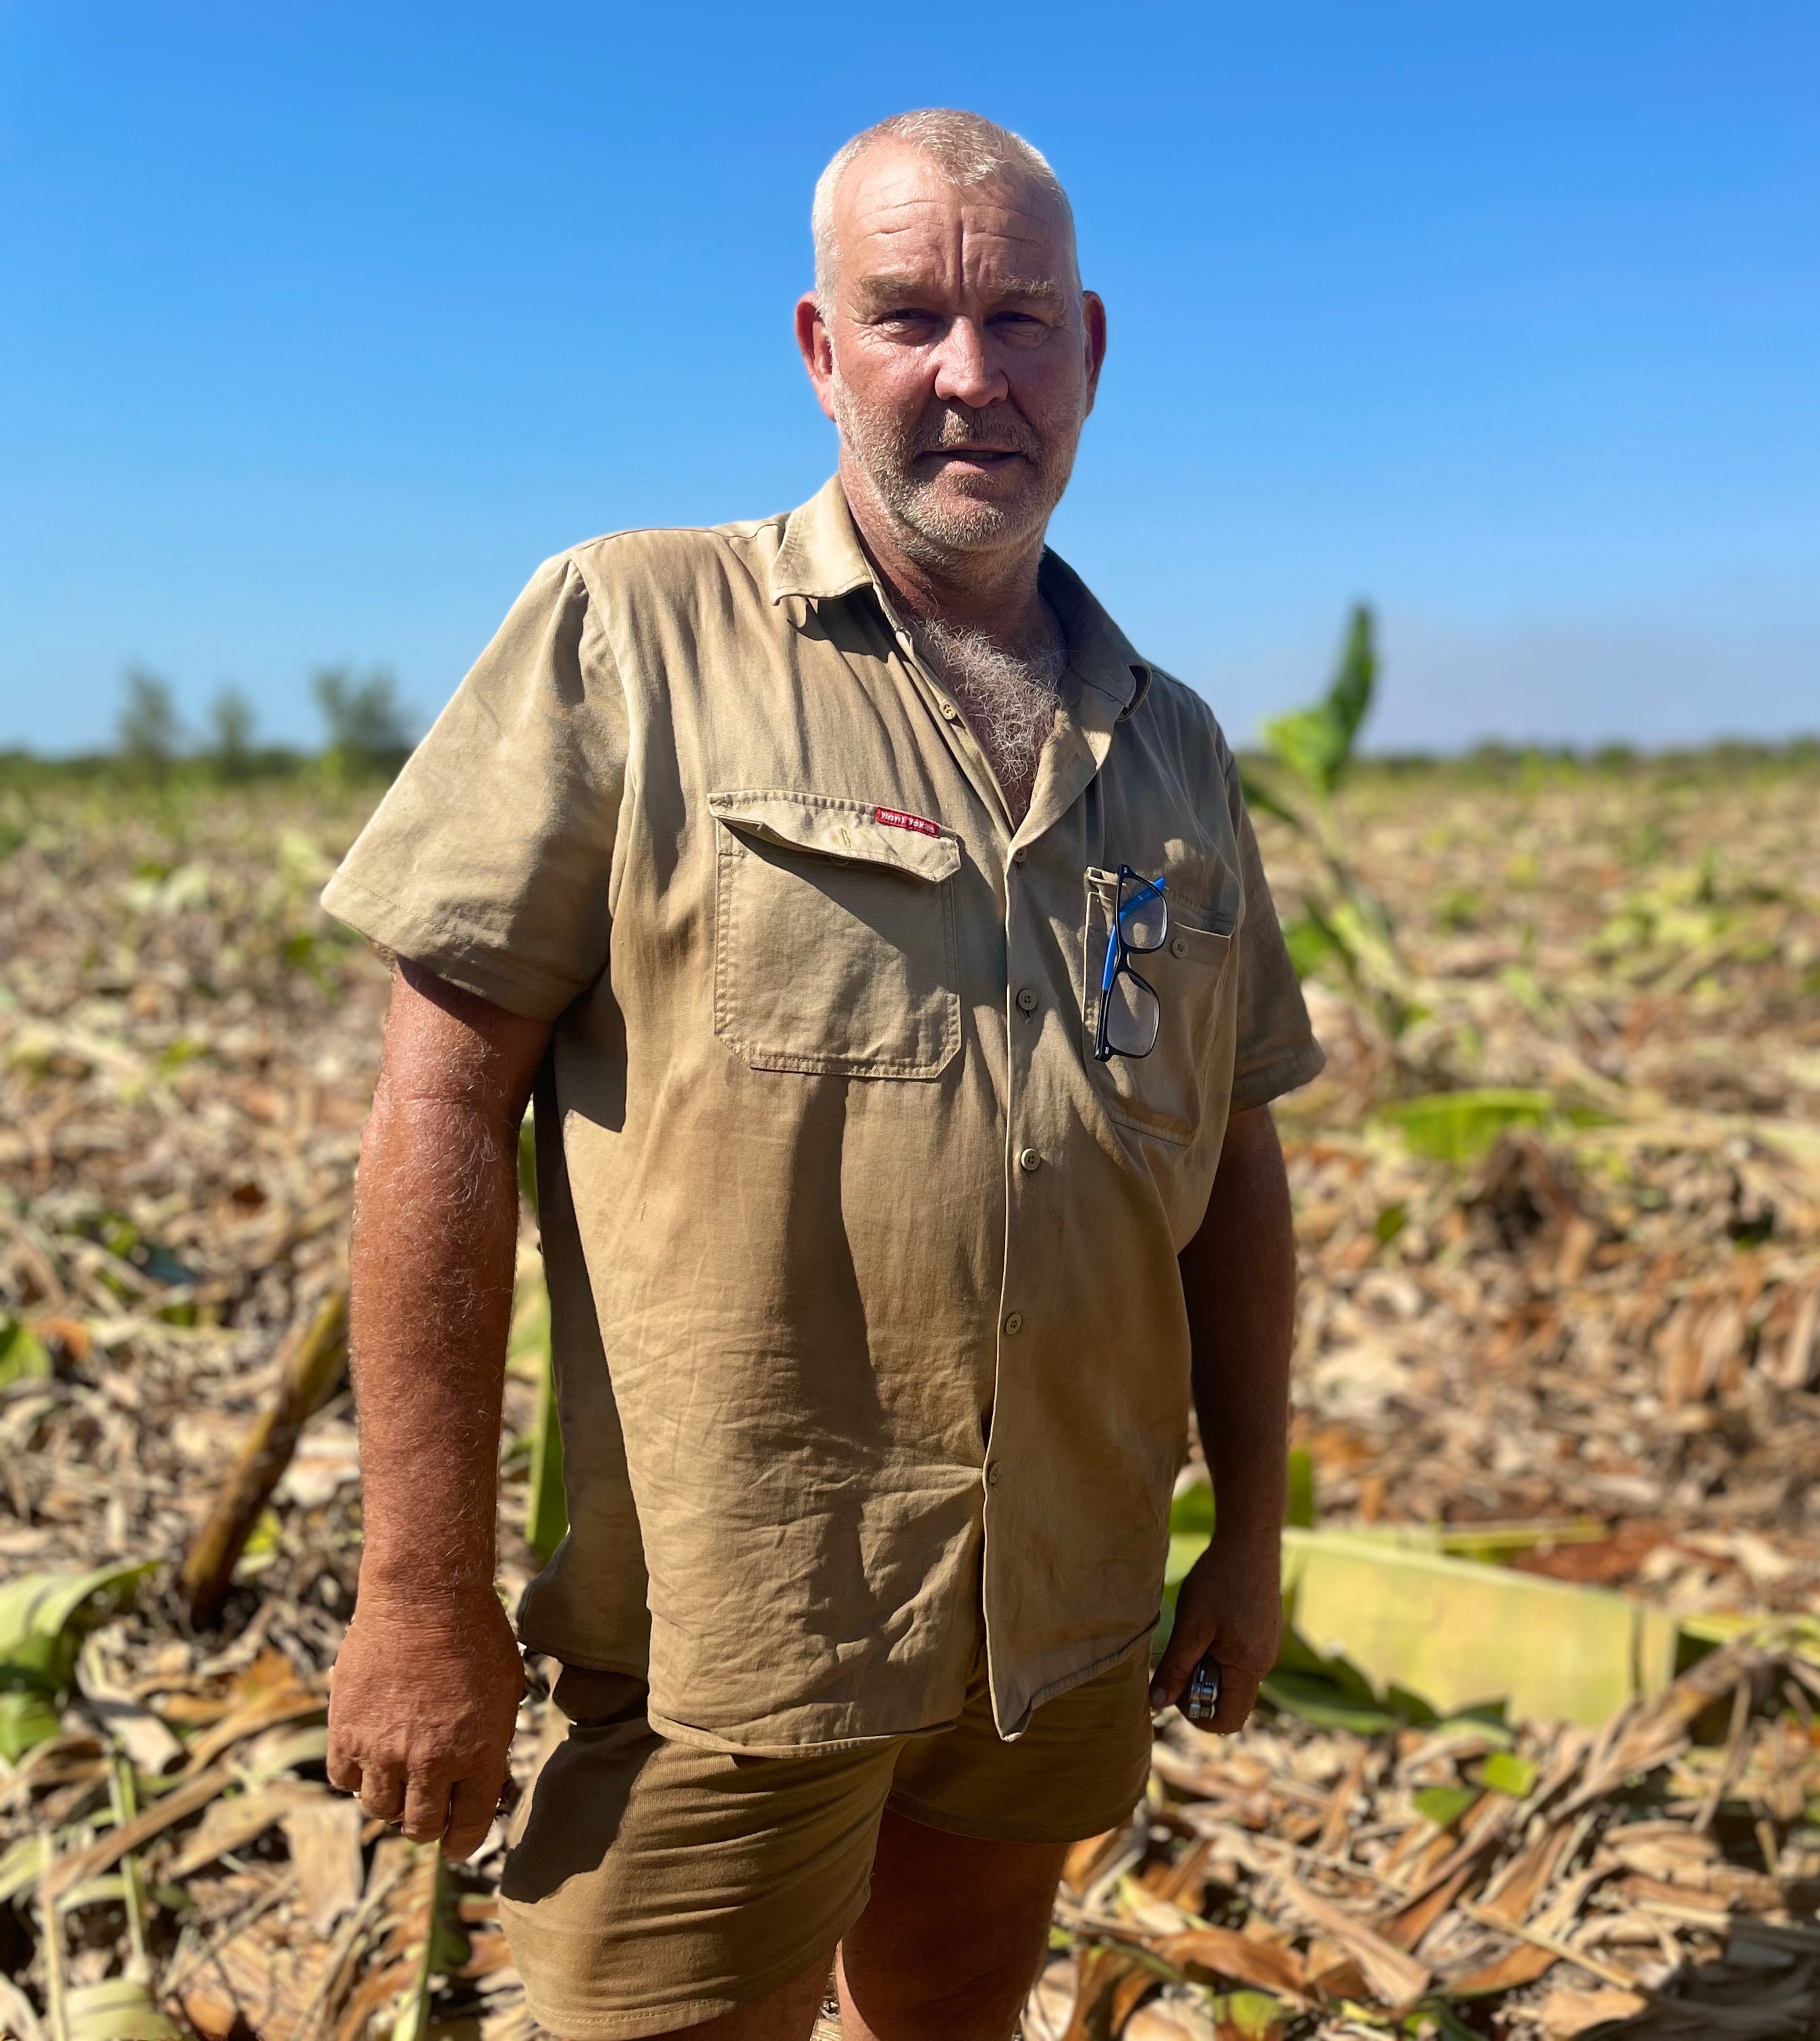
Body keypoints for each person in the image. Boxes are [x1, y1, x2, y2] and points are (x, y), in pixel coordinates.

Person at [318, 108, 1322, 2041]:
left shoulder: (1175, 746)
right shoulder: (633, 629)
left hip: (1057, 1609)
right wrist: (418, 1584)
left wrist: (1255, 1534)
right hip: (737, 1612)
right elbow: (434, 1107)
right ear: (818, 349)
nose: (971, 374)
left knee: (954, 2009)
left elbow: (1235, 1160)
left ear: (1092, 351)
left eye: (1018, 319)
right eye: (910, 316)